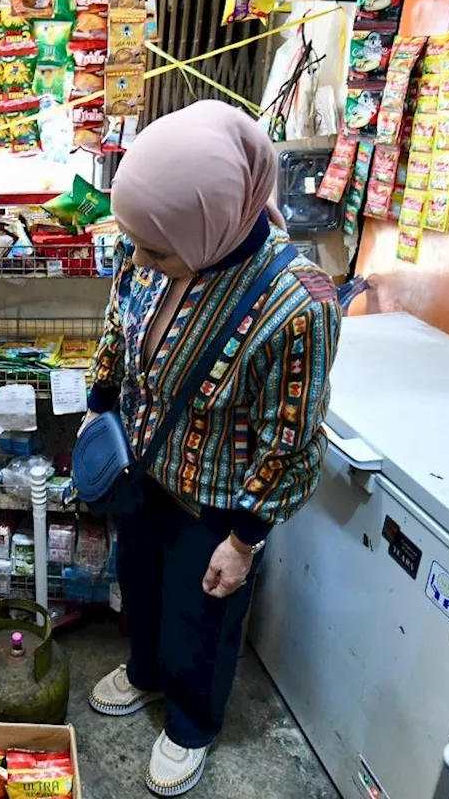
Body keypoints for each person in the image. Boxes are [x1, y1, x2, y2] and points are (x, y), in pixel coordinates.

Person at [81, 101, 341, 796]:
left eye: (155, 248)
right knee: (139, 586)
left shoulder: (298, 303)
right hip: (144, 468)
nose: (139, 258)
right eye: (132, 240)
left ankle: (193, 721)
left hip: (221, 501)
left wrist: (246, 538)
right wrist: (99, 404)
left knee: (203, 614)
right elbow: (118, 325)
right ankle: (144, 672)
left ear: (214, 218)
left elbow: (291, 434)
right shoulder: (150, 246)